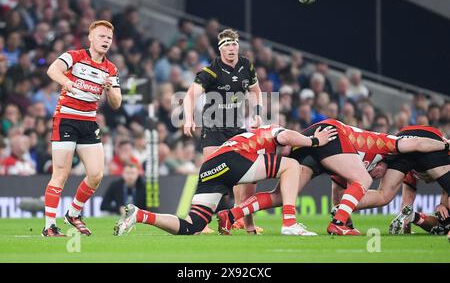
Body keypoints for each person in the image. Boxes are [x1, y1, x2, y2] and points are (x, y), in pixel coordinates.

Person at [220, 120, 449, 235]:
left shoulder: (349, 165)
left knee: (281, 196)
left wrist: (346, 215)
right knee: (363, 180)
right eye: (382, 172)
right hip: (331, 133)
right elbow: (417, 143)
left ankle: (231, 214)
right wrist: (445, 144)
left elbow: (339, 195)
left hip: (316, 143)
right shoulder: (387, 144)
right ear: (384, 165)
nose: (379, 174)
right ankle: (337, 225)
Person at [113, 124, 337, 236]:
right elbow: (287, 136)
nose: (288, 150)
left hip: (211, 166)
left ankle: (140, 215)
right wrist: (313, 140)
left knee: (193, 225)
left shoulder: (252, 147)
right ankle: (290, 223)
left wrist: (249, 228)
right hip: (231, 159)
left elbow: (247, 191)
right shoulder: (271, 132)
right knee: (292, 166)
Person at [42, 20, 122, 237]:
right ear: (91, 38)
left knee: (96, 174)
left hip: (88, 122)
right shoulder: (75, 56)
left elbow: (117, 103)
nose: (106, 40)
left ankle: (73, 213)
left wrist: (110, 89)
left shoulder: (110, 69)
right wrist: (67, 84)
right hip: (66, 118)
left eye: (109, 38)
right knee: (61, 174)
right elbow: (52, 69)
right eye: (102, 36)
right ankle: (49, 226)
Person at [183, 29, 264, 233]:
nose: (231, 48)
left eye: (234, 44)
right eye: (227, 44)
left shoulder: (247, 65)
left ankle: (241, 219)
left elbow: (256, 91)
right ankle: (199, 222)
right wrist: (189, 118)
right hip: (213, 128)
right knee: (213, 174)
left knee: (245, 174)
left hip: (236, 128)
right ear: (220, 49)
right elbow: (190, 96)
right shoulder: (211, 71)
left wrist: (257, 113)